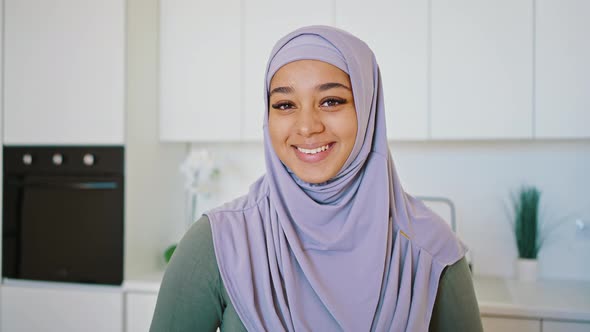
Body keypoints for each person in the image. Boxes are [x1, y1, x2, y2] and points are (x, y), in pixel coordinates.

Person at [150, 25, 483, 332]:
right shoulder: (217, 244)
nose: (307, 126)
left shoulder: (431, 251)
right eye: (284, 104)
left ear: (368, 109)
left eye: (331, 100)